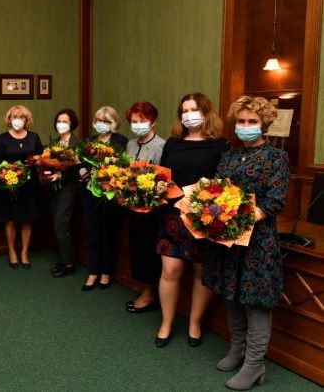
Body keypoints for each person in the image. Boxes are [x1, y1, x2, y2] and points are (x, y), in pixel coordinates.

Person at [203, 96, 289, 390]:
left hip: (258, 241)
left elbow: (274, 201)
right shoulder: (228, 155)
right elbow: (214, 190)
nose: (245, 126)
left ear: (264, 125)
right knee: (231, 295)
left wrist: (239, 218)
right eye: (241, 121)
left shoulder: (276, 157)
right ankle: (237, 348)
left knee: (255, 302)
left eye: (252, 121)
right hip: (228, 240)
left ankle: (254, 365)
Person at [155, 93, 228, 348]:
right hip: (172, 216)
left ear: (206, 112)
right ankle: (166, 323)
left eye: (194, 109)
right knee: (170, 271)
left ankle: (194, 324)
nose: (188, 115)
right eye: (184, 111)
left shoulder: (220, 145)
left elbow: (225, 183)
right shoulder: (173, 143)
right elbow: (163, 176)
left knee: (201, 272)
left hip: (204, 217)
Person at [78, 106, 128, 289]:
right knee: (92, 234)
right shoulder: (90, 141)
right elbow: (81, 162)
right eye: (99, 120)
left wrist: (108, 173)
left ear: (113, 122)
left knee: (108, 234)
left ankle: (106, 272)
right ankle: (93, 272)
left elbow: (124, 166)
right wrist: (82, 170)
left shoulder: (121, 141)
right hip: (90, 193)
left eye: (106, 121)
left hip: (109, 196)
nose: (101, 124)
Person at [124, 102, 166, 313]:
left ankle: (150, 294)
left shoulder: (161, 146)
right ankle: (144, 288)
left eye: (143, 121)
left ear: (153, 122)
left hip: (151, 210)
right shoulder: (130, 145)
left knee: (148, 250)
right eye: (134, 121)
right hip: (132, 207)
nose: (138, 125)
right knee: (136, 248)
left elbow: (163, 179)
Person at [0, 105, 43, 269]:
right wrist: (8, 175)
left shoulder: (34, 137)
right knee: (11, 219)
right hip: (10, 184)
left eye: (21, 117)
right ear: (9, 119)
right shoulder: (2, 139)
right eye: (15, 116)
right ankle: (12, 252)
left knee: (27, 218)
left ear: (27, 120)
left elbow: (40, 158)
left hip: (30, 184)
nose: (18, 120)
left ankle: (24, 252)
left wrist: (36, 161)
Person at [46, 109, 82, 278]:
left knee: (61, 223)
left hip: (70, 188)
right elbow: (49, 162)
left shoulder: (77, 143)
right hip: (54, 187)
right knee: (56, 223)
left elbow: (78, 169)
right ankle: (63, 258)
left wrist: (61, 175)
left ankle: (69, 264)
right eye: (59, 121)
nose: (61, 124)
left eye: (65, 121)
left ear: (72, 124)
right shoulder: (54, 142)